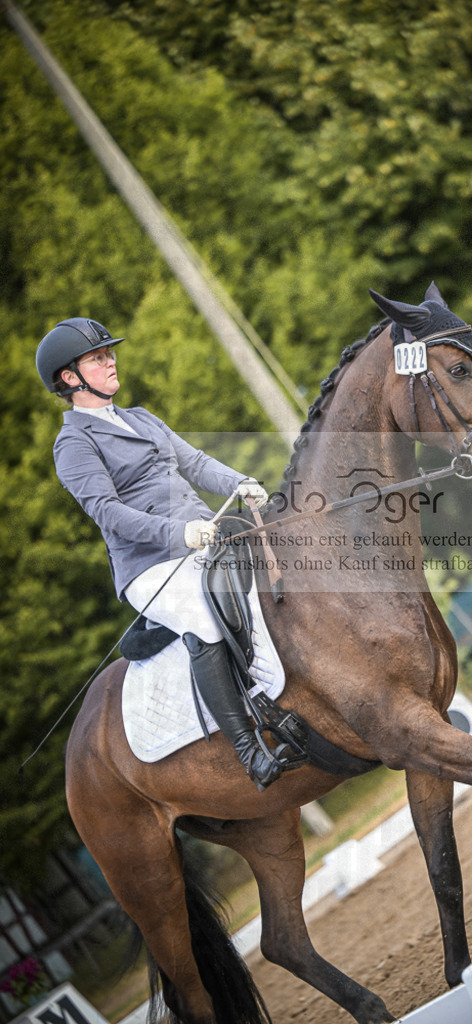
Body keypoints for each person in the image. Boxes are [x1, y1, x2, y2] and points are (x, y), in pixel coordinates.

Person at [36, 316, 283, 789]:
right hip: (150, 566)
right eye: (97, 357)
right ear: (70, 378)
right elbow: (107, 512)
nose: (110, 361)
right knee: (203, 617)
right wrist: (180, 534)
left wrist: (241, 483)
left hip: (201, 538)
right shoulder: (73, 444)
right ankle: (249, 751)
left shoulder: (142, 417)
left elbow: (196, 463)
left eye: (109, 353)